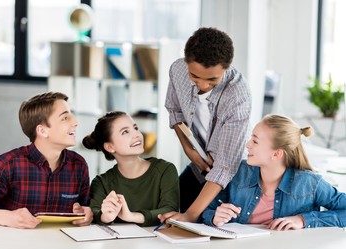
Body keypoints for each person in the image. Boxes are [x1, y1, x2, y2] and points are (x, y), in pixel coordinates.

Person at [0, 92, 93, 229]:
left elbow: (86, 208)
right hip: (14, 247)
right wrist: (8, 217)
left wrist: (87, 213)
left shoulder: (79, 165)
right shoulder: (8, 164)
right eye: (65, 118)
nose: (75, 122)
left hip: (62, 247)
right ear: (42, 130)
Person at [162, 27, 252, 222]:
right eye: (194, 76)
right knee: (170, 208)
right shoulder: (177, 70)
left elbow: (226, 167)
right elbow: (175, 111)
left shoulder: (238, 96)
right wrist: (188, 149)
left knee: (208, 225)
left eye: (212, 79)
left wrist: (190, 215)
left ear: (226, 68)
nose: (202, 85)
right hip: (199, 166)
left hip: (233, 178)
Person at [202, 114, 346, 230]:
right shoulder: (237, 172)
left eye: (255, 141)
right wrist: (214, 217)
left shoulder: (309, 183)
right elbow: (206, 210)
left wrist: (304, 220)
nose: (247, 145)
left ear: (277, 154)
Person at [83, 111, 179, 227]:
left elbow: (170, 211)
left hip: (158, 243)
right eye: (125, 132)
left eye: (135, 128)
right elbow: (95, 213)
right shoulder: (101, 182)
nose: (137, 134)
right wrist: (106, 216)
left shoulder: (165, 170)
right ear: (110, 147)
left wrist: (131, 216)